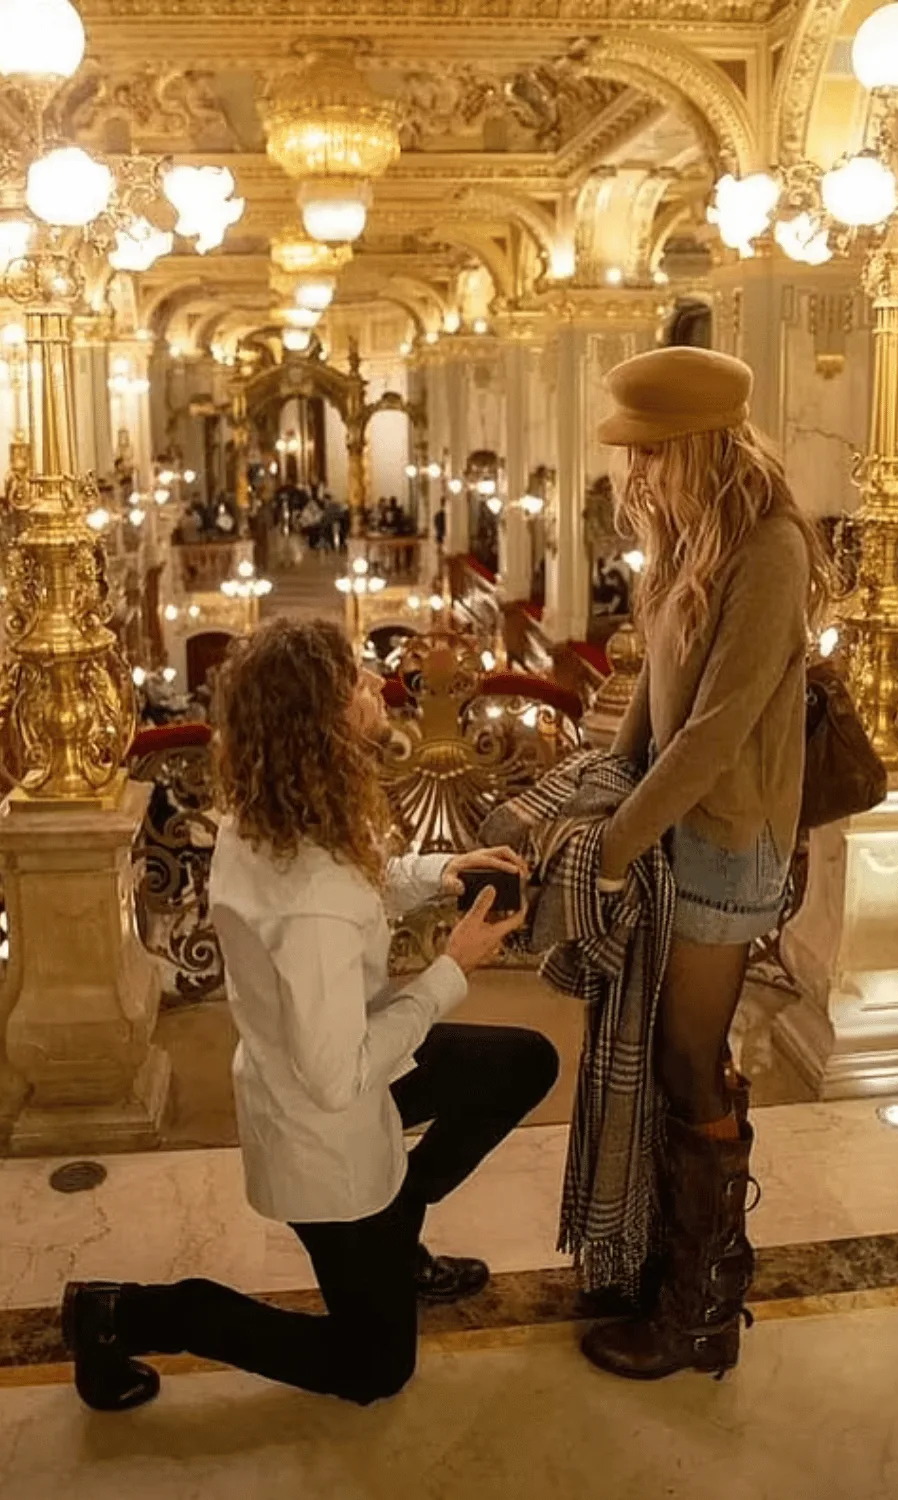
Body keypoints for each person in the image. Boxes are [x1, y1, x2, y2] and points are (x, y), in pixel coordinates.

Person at [62, 616, 558, 1412]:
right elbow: (338, 1078)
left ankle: (398, 1227)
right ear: (321, 722)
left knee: (521, 1063)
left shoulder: (274, 813)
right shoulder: (311, 902)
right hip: (325, 1124)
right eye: (356, 682)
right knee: (373, 1370)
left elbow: (360, 881)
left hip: (339, 1063)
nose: (376, 687)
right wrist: (450, 969)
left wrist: (441, 871)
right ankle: (128, 1314)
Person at [579, 346, 828, 1381]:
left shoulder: (768, 546)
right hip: (682, 825)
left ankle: (696, 1311)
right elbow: (658, 686)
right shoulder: (688, 533)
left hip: (728, 840)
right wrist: (607, 779)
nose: (633, 475)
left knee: (687, 1061)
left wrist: (616, 842)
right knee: (680, 1055)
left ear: (694, 444)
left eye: (647, 453)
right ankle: (679, 1267)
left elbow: (718, 727)